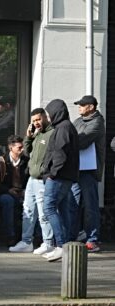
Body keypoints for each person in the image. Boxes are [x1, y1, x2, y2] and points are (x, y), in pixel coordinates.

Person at [9, 108, 55, 255]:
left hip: (42, 179)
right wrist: (28, 137)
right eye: (34, 121)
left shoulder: (51, 133)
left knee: (43, 213)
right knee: (27, 210)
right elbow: (28, 153)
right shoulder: (37, 134)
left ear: (45, 118)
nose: (36, 123)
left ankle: (48, 242)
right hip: (32, 179)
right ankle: (26, 241)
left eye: (38, 119)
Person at [41, 99, 79, 262]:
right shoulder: (66, 126)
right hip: (65, 176)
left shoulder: (63, 128)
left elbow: (60, 153)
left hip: (59, 176)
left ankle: (61, 245)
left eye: (49, 114)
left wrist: (52, 173)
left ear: (56, 113)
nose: (48, 118)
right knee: (63, 209)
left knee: (48, 207)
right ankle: (66, 246)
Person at [70, 95, 106, 252]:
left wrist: (68, 141)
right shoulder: (78, 121)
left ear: (91, 107)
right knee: (74, 202)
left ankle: (93, 239)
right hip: (77, 169)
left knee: (91, 205)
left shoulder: (97, 122)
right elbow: (70, 137)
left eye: (82, 105)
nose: (79, 107)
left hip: (89, 171)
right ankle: (75, 234)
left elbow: (81, 141)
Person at [0, 135, 29, 246]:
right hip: (6, 193)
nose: (22, 150)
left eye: (22, 147)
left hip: (23, 192)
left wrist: (24, 191)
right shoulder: (1, 162)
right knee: (8, 201)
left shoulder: (27, 161)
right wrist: (8, 190)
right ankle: (10, 235)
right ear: (10, 147)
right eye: (19, 147)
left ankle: (32, 236)